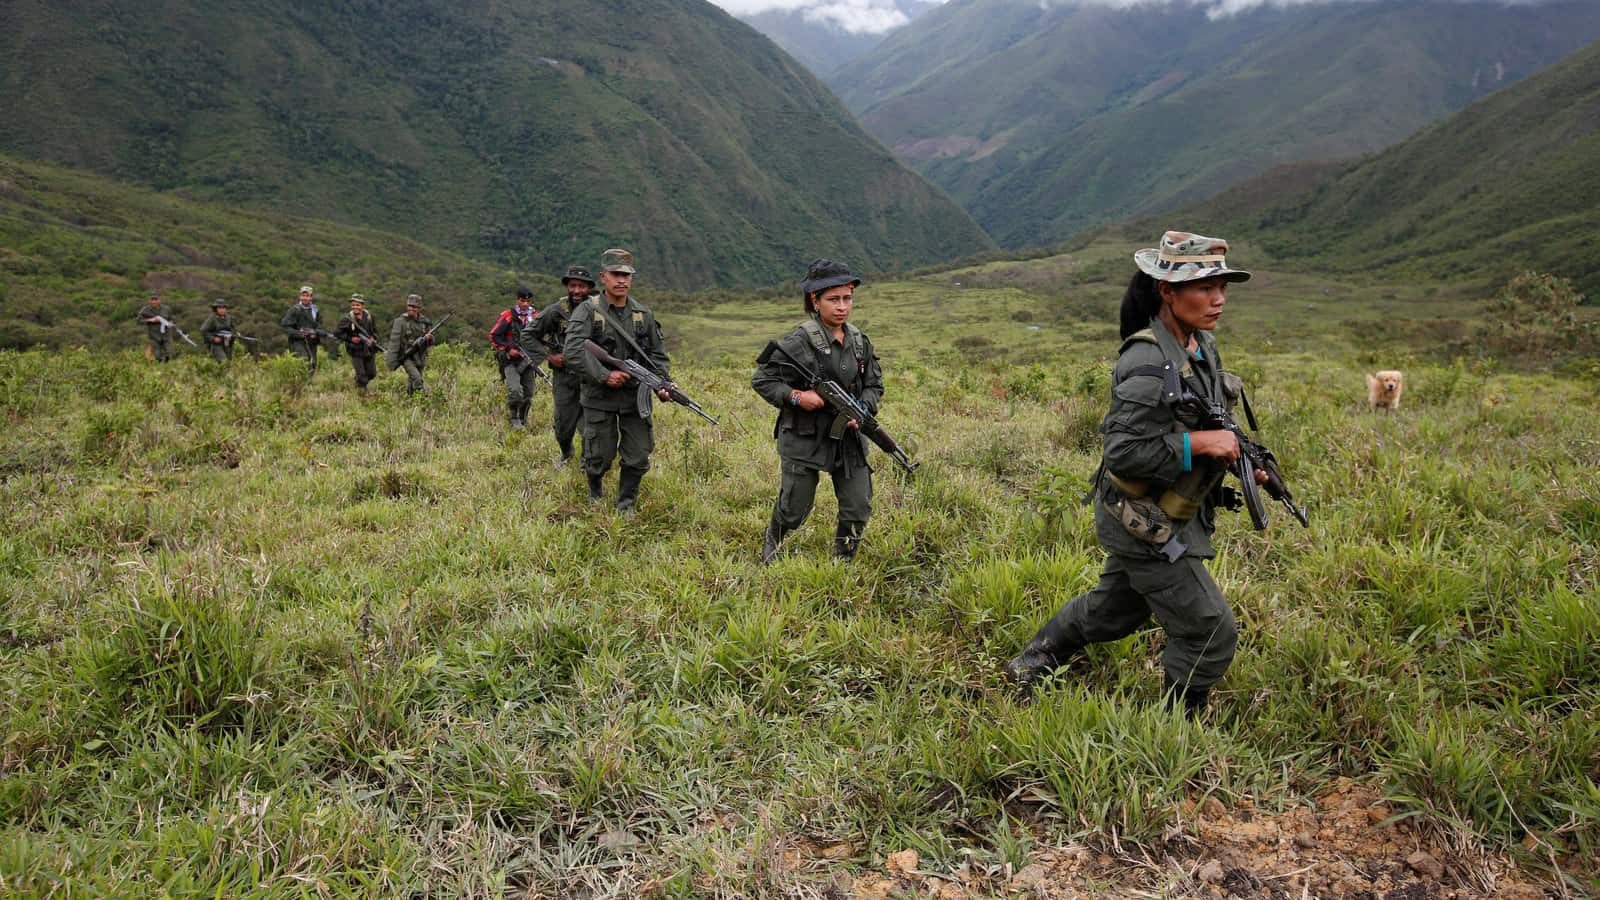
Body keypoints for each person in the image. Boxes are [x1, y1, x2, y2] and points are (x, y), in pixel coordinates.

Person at [1003, 231, 1266, 719]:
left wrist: (1240, 458)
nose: (1218, 299)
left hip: (1167, 515)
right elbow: (1125, 453)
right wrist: (1204, 444)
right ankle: (1173, 730)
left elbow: (1207, 419)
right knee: (1209, 628)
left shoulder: (1200, 346)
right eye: (1204, 286)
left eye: (1222, 286)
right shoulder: (1146, 360)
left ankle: (1034, 659)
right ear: (1167, 290)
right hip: (1140, 520)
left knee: (1115, 611)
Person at [751, 259, 883, 562]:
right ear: (815, 300)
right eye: (833, 299)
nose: (842, 307)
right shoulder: (800, 341)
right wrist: (797, 397)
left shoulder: (859, 342)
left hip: (847, 440)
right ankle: (775, 540)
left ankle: (843, 561)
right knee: (795, 508)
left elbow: (874, 386)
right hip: (805, 437)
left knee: (858, 505)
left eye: (847, 298)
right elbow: (763, 379)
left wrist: (862, 409)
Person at [561, 248, 671, 513]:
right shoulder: (588, 311)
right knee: (598, 454)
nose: (621, 280)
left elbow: (657, 354)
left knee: (638, 454)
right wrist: (604, 374)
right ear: (603, 277)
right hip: (600, 397)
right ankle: (595, 491)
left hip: (635, 398)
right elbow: (573, 351)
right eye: (615, 275)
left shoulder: (643, 314)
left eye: (626, 275)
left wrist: (663, 383)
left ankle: (626, 503)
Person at [533, 266, 596, 463]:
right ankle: (566, 453)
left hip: (592, 377)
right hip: (565, 379)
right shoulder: (556, 312)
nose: (577, 291)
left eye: (582, 286)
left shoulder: (599, 310)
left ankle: (588, 464)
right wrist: (549, 357)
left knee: (590, 427)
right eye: (573, 286)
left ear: (589, 288)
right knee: (563, 428)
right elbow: (528, 335)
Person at [490, 287, 541, 428]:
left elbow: (541, 337)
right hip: (510, 360)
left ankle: (523, 419)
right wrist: (508, 349)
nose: (525, 304)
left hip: (528, 361)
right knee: (515, 390)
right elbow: (494, 335)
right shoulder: (507, 315)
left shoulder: (536, 317)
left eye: (528, 301)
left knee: (528, 393)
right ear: (517, 300)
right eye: (522, 300)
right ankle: (514, 418)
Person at [386, 294, 433, 394]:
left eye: (414, 307)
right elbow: (394, 342)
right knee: (417, 379)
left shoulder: (425, 322)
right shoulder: (400, 322)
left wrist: (429, 339)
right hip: (406, 356)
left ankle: (409, 400)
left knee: (413, 380)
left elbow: (431, 341)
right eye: (409, 306)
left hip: (420, 356)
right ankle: (422, 400)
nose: (411, 309)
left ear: (419, 308)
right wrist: (391, 361)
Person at [336, 293, 382, 391]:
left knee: (372, 373)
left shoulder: (369, 317)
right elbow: (337, 333)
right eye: (353, 305)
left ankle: (359, 382)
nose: (355, 307)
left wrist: (373, 338)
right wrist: (350, 339)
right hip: (355, 350)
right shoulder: (347, 319)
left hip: (369, 350)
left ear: (362, 305)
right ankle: (362, 393)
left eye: (357, 305)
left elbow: (375, 331)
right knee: (361, 375)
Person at [280, 284, 324, 371]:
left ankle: (309, 383)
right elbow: (285, 326)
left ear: (311, 297)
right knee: (304, 362)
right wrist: (299, 334)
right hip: (297, 342)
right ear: (300, 296)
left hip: (312, 342)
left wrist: (316, 333)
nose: (305, 298)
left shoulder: (316, 309)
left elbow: (320, 325)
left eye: (307, 296)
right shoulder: (294, 310)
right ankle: (300, 383)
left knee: (313, 364)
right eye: (303, 295)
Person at [136, 292, 175, 362]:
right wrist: (150, 320)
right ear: (149, 301)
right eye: (152, 299)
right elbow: (138, 321)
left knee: (170, 354)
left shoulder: (166, 308)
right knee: (157, 356)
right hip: (154, 336)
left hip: (166, 335)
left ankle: (167, 367)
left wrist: (171, 323)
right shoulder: (145, 309)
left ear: (159, 300)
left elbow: (171, 318)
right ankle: (159, 367)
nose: (154, 301)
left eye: (156, 299)